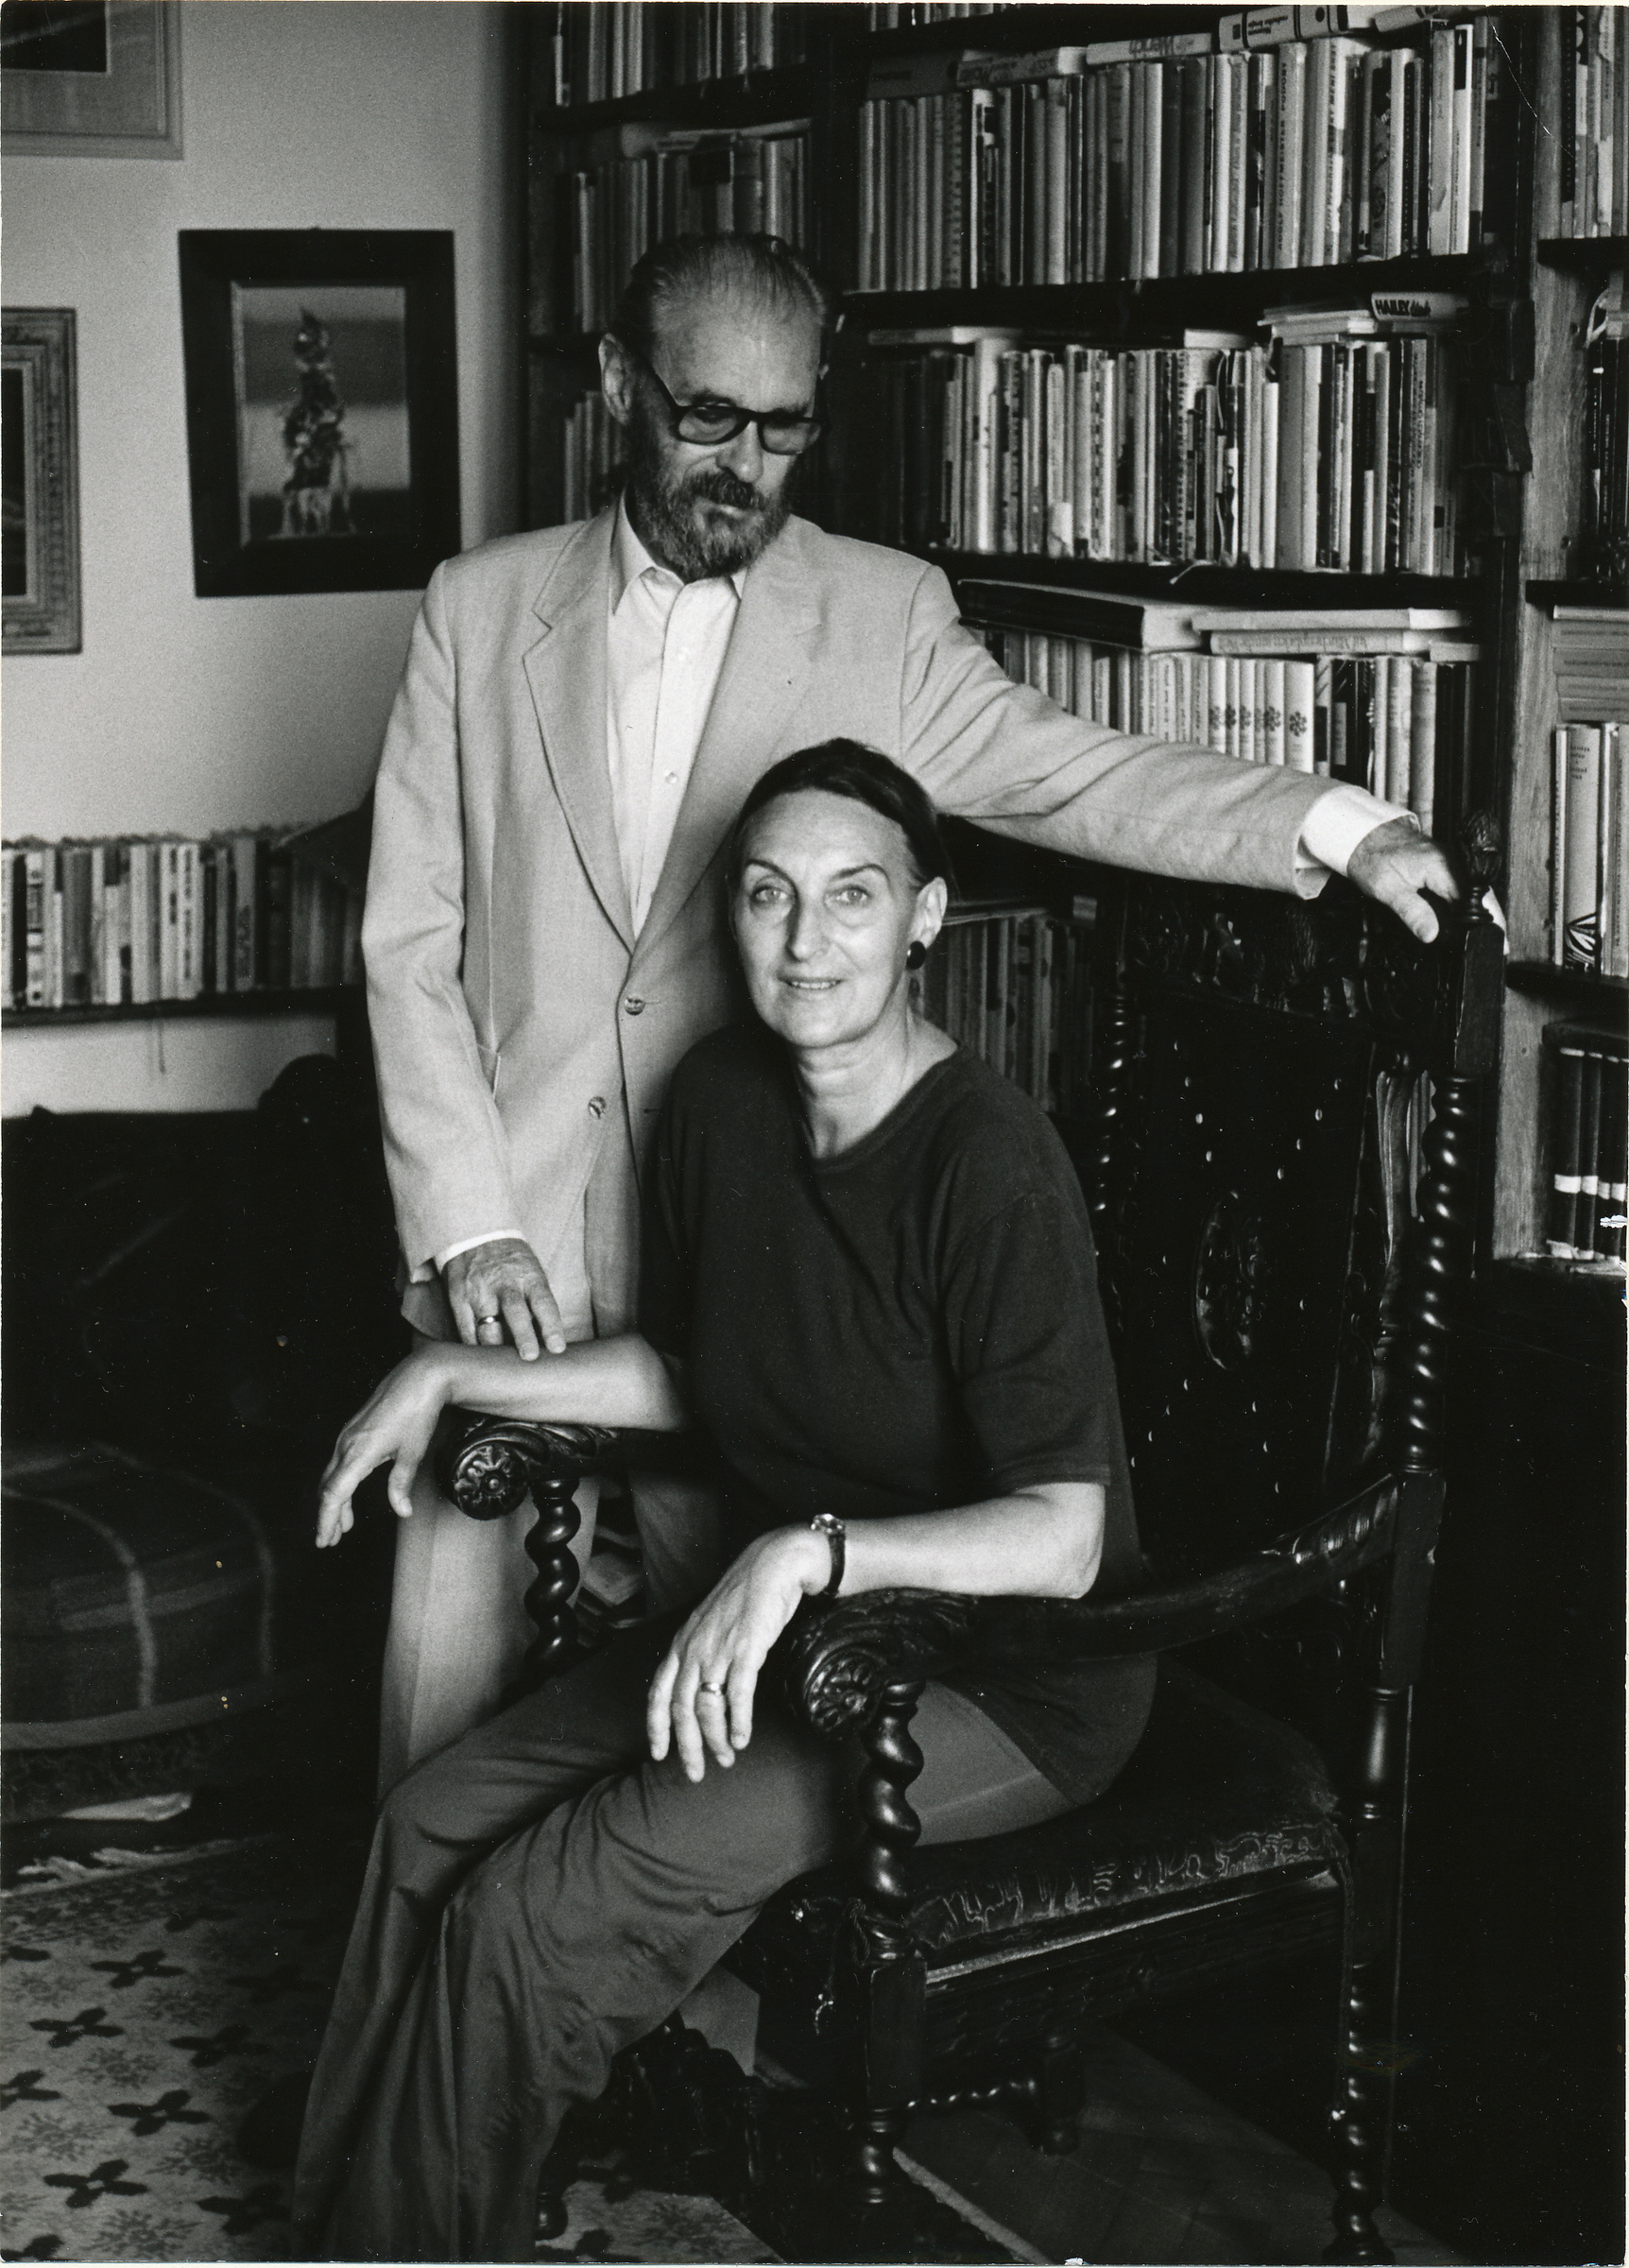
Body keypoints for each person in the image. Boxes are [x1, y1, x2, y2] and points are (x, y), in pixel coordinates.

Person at [364, 231, 1459, 1791]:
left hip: (750, 1260)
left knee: (695, 1759)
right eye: (707, 416)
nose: (747, 466)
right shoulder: (474, 612)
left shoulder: (881, 617)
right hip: (507, 1252)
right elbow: (410, 942)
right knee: (441, 1747)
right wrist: (469, 1223)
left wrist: (1339, 827)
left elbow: (1069, 770)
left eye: (786, 427)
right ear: (616, 383)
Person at [295, 747, 1157, 2261]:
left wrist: (806, 1558)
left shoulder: (989, 1162)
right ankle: (356, 2224)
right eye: (768, 896)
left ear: (925, 918)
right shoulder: (719, 1102)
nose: (805, 940)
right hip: (798, 1635)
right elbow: (701, 1371)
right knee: (428, 1825)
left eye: (852, 897)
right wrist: (447, 1371)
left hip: (1004, 1680)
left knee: (539, 1912)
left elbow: (1066, 1535)